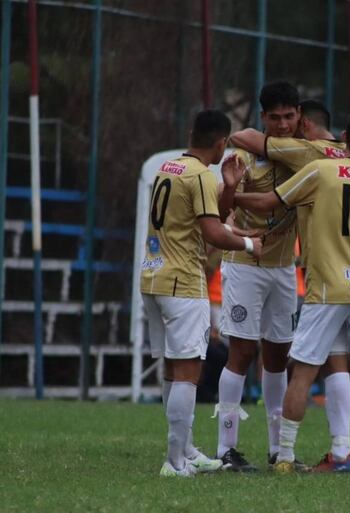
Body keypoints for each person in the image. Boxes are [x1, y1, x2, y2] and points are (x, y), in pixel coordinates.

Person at [233, 109, 350, 474]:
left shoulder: (321, 171)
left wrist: (230, 195)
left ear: (342, 136)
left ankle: (286, 457)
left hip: (327, 288)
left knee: (304, 370)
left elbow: (268, 202)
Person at [140, 110, 263, 477]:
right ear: (221, 142)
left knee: (172, 368)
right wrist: (249, 243)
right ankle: (174, 461)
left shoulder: (169, 167)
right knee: (189, 371)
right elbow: (214, 232)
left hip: (152, 278)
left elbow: (207, 213)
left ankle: (187, 450)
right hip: (182, 282)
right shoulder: (199, 176)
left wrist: (229, 186)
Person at [214, 82, 301, 471]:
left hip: (284, 269)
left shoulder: (306, 155)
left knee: (278, 357)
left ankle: (278, 451)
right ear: (263, 118)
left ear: (299, 116)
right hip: (245, 265)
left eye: (289, 116)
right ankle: (226, 449)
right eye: (275, 117)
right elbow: (220, 212)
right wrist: (229, 193)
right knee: (243, 352)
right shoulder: (244, 156)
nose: (283, 124)